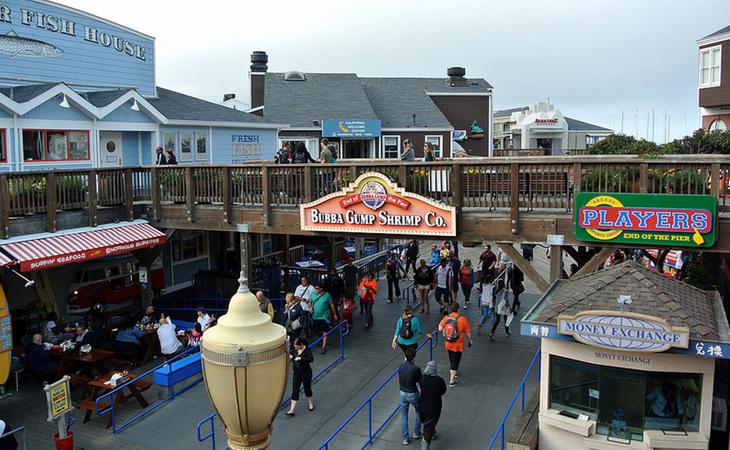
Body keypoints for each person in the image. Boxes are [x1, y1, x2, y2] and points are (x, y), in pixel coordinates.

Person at [438, 303, 473, 387]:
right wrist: (470, 340)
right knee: (455, 360)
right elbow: (468, 331)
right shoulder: (462, 319)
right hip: (458, 344)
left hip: (448, 342)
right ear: (458, 310)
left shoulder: (446, 318)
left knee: (451, 358)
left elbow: (439, 328)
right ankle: (452, 380)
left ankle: (454, 372)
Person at [419, 361, 446, 450]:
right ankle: (425, 445)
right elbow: (443, 391)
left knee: (427, 423)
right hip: (434, 407)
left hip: (422, 406)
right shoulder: (439, 381)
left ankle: (433, 433)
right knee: (428, 427)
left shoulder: (422, 378)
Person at [398, 348, 422, 445]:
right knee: (419, 411)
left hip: (402, 392)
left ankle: (405, 438)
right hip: (412, 392)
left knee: (404, 414)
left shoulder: (401, 366)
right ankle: (416, 432)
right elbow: (421, 381)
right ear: (414, 358)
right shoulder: (416, 369)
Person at [285, 337, 314, 416]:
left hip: (306, 373)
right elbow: (291, 353)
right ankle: (292, 410)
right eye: (294, 345)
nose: (295, 347)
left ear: (301, 345)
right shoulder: (294, 350)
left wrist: (301, 358)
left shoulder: (307, 350)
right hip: (297, 373)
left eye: (296, 345)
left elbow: (311, 359)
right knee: (295, 389)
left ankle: (310, 404)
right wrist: (291, 356)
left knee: (307, 388)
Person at [309, 282, 338, 354]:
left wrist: (334, 314)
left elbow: (331, 305)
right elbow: (310, 301)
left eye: (317, 288)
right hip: (315, 316)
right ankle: (323, 338)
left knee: (325, 330)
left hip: (325, 316)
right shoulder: (313, 294)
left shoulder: (327, 295)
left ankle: (323, 347)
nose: (316, 290)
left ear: (321, 289)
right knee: (316, 330)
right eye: (315, 288)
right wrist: (310, 307)